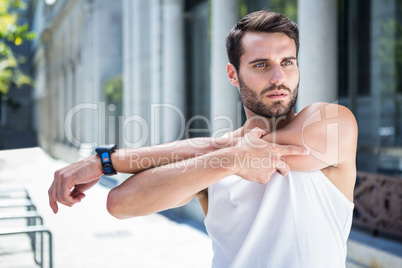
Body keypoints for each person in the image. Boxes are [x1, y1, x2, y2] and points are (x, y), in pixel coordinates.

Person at [48, 10, 358, 268]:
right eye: (261, 64)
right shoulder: (209, 164)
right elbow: (119, 203)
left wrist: (106, 161)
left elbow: (237, 150)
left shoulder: (332, 122)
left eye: (287, 62)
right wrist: (230, 159)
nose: (278, 77)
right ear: (232, 75)